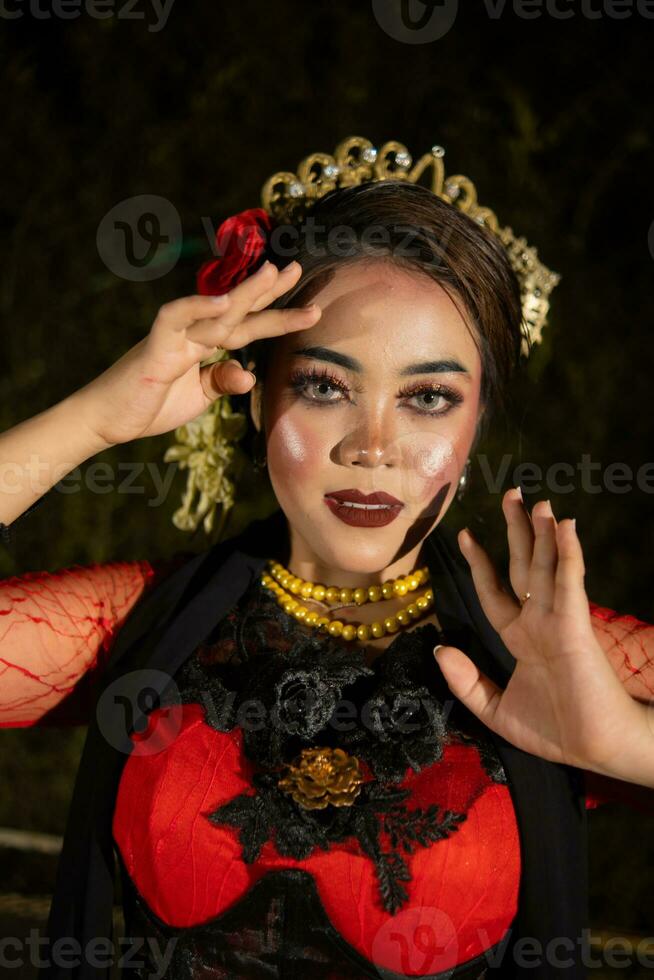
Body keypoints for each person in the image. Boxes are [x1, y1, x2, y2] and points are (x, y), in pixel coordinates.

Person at [1, 137, 653, 980]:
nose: (373, 447)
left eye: (427, 398)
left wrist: (628, 742)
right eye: (324, 386)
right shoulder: (137, 622)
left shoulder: (548, 650)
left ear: (475, 422)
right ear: (257, 394)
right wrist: (93, 420)